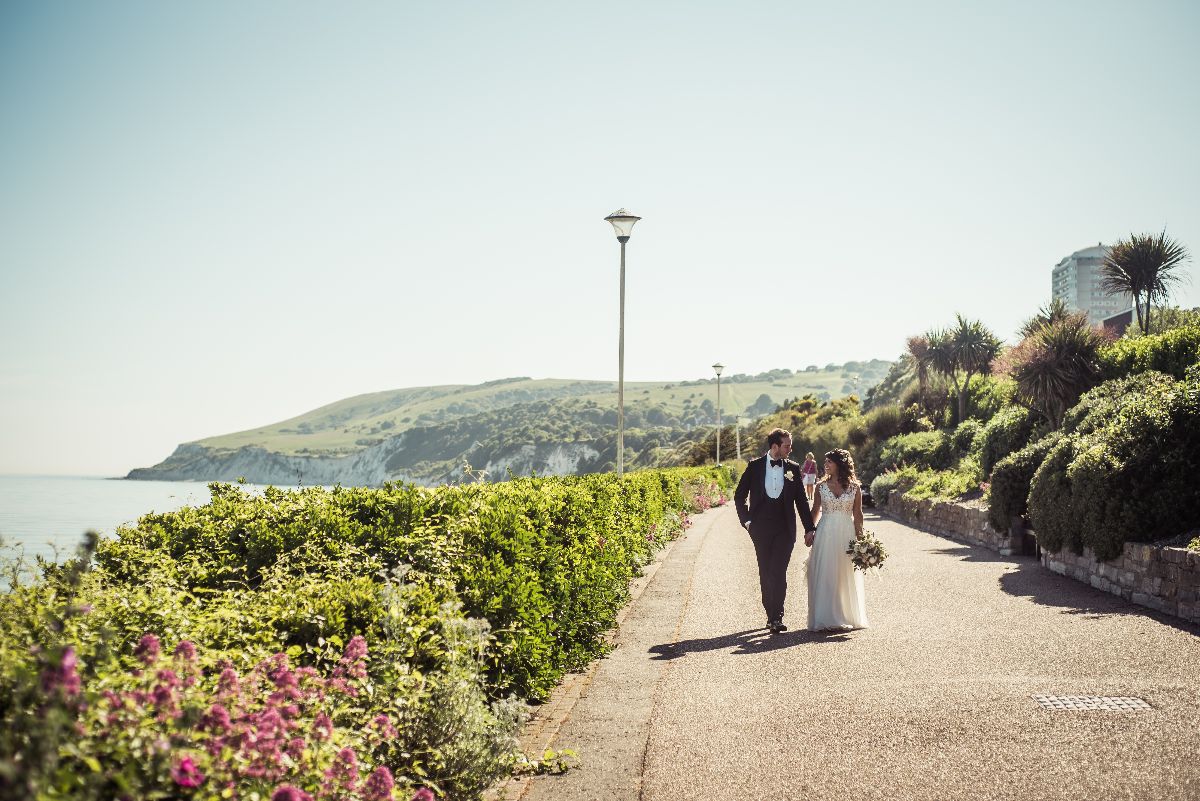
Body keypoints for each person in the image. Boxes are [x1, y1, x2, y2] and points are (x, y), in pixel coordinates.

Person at [733, 428, 818, 633]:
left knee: (778, 571)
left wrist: (809, 528)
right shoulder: (754, 467)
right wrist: (747, 522)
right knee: (765, 571)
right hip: (760, 529)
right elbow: (739, 496)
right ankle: (770, 613)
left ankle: (776, 617)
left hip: (784, 529)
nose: (790, 449)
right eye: (787, 446)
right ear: (775, 446)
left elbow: (801, 502)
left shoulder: (793, 468)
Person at [805, 448, 869, 631]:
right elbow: (815, 511)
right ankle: (825, 617)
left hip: (846, 534)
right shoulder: (820, 487)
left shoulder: (855, 488)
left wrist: (861, 540)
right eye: (825, 463)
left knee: (844, 573)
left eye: (829, 462)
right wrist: (809, 531)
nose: (825, 466)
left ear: (840, 464)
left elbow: (858, 514)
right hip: (825, 533)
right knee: (826, 573)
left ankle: (846, 615)